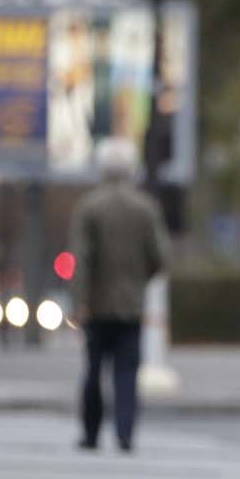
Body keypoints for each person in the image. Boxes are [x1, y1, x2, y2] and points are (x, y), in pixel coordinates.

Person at [70, 137, 170, 454]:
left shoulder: (89, 207)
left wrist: (80, 301)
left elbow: (81, 258)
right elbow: (160, 256)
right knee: (127, 373)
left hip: (96, 305)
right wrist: (140, 281)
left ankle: (90, 433)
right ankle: (125, 434)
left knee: (94, 372)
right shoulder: (145, 208)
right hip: (131, 306)